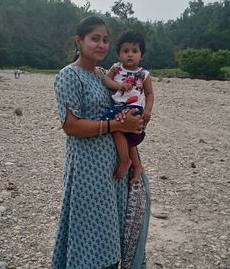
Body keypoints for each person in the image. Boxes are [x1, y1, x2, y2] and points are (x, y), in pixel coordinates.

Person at [52, 16, 150, 269]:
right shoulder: (69, 76)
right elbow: (70, 126)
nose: (101, 45)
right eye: (95, 38)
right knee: (88, 231)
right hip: (87, 168)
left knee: (110, 232)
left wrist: (135, 162)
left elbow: (124, 119)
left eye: (105, 40)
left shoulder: (103, 75)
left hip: (113, 169)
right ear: (79, 41)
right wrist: (116, 125)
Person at [102, 30, 154, 186]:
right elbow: (106, 79)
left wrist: (148, 111)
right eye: (125, 51)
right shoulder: (116, 68)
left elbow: (150, 94)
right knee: (123, 135)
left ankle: (125, 161)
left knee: (116, 128)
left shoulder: (144, 74)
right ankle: (136, 165)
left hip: (134, 108)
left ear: (141, 55)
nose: (130, 55)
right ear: (119, 54)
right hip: (118, 106)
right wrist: (119, 85)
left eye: (134, 51)